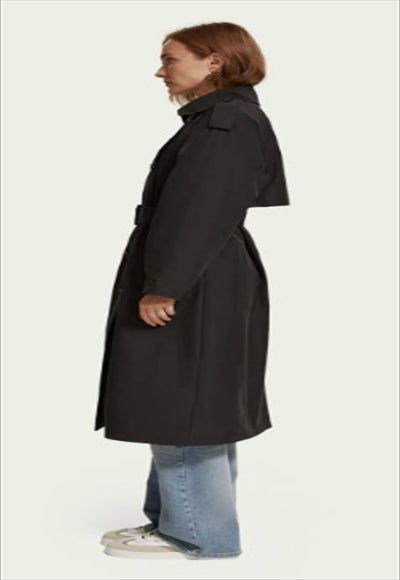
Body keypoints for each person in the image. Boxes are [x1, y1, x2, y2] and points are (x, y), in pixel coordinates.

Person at [94, 21, 290, 559]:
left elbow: (200, 210)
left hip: (197, 275)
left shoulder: (226, 122)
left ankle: (197, 534)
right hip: (205, 270)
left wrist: (164, 286)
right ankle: (175, 522)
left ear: (214, 62)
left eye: (170, 59)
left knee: (184, 400)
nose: (160, 71)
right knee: (190, 398)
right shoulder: (221, 119)